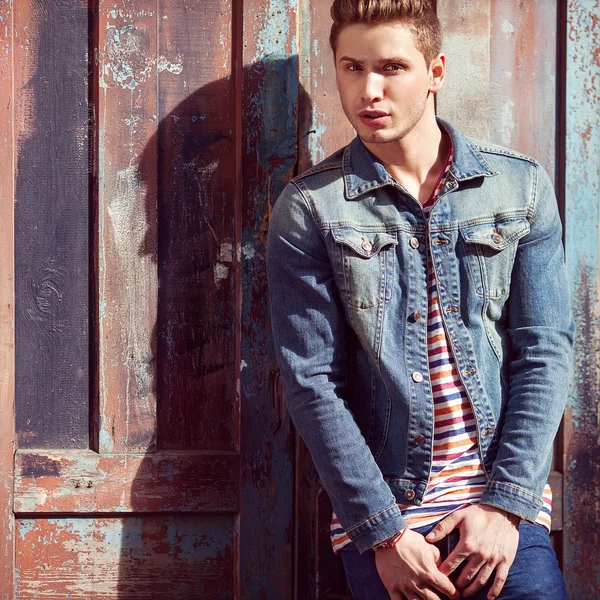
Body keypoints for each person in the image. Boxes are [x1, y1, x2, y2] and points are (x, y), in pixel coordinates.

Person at [266, 1, 574, 598]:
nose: (369, 90)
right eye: (352, 68)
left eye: (392, 68)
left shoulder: (520, 186)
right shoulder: (311, 210)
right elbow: (311, 383)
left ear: (436, 71)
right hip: (387, 519)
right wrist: (383, 533)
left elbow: (544, 352)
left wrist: (505, 508)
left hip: (500, 514)